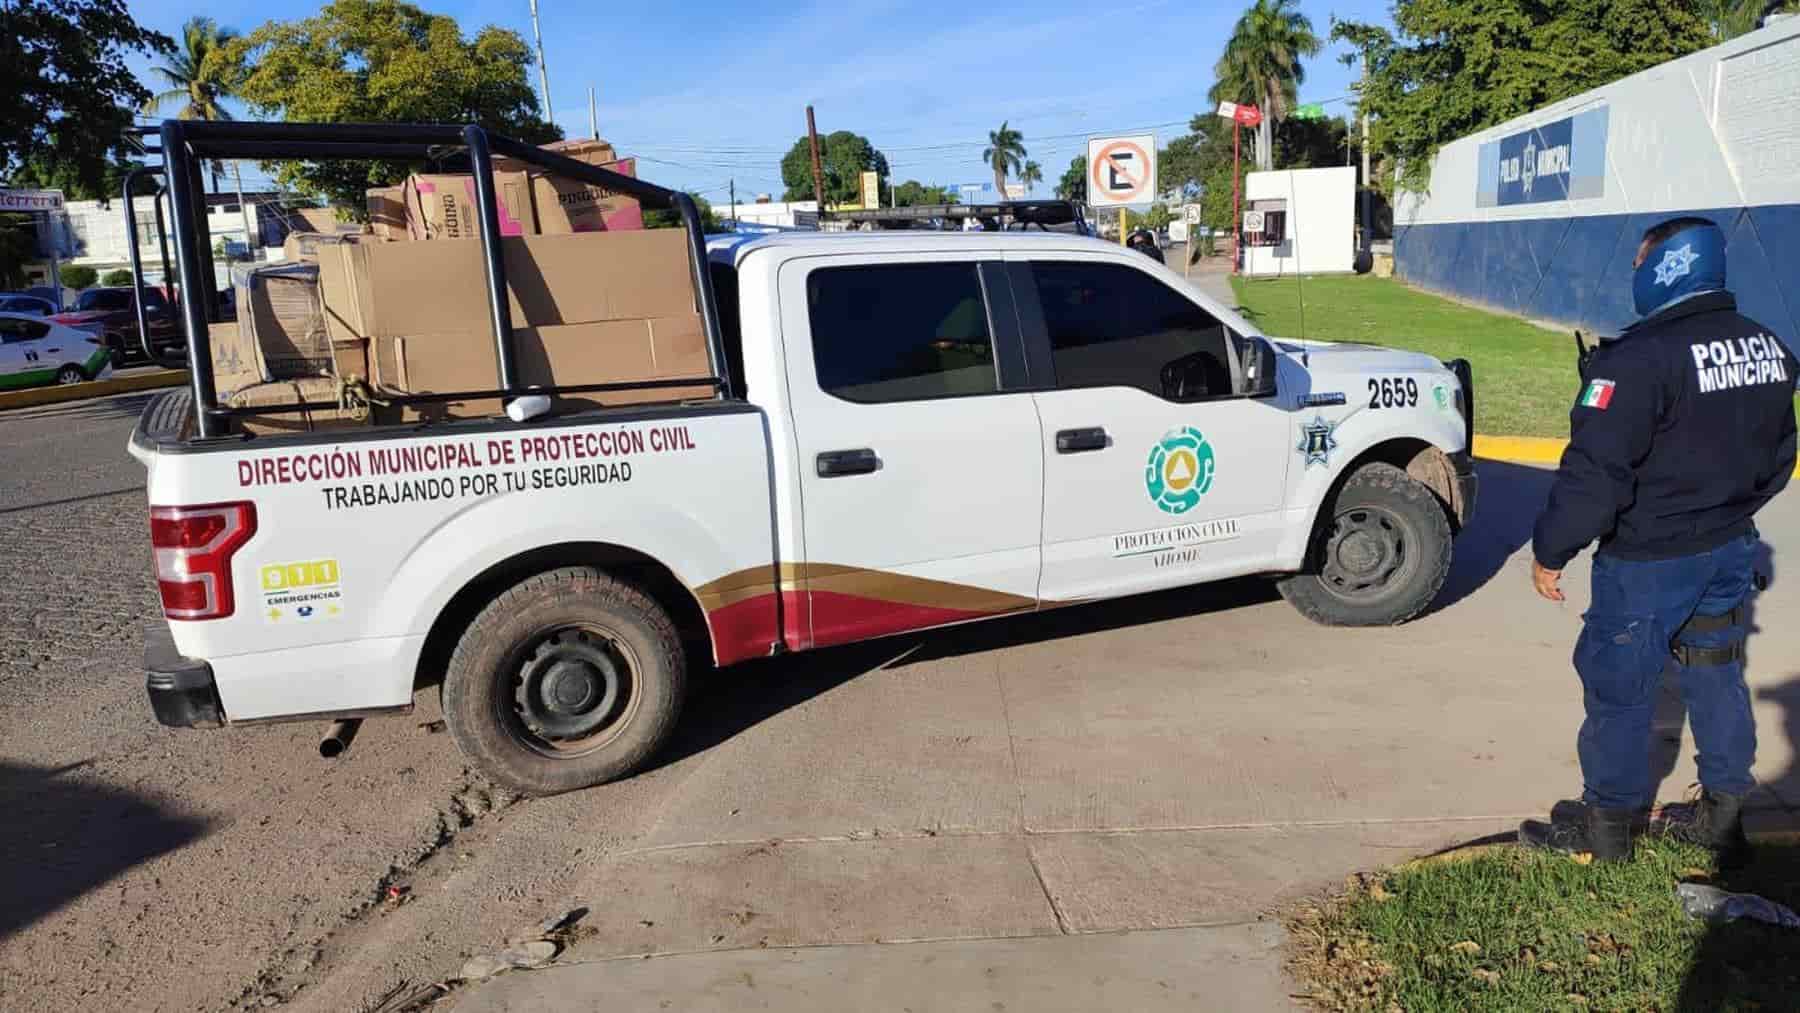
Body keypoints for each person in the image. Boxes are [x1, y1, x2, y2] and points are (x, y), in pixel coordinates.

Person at [1520, 217, 1797, 865]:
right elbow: (1780, 455)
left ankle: (1607, 828)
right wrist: (1730, 509)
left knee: (1619, 688)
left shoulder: (1637, 360)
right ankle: (1722, 817)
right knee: (1716, 675)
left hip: (1646, 560)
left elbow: (1594, 474)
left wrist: (1551, 550)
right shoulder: (1765, 346)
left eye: (1640, 262)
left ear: (1666, 265)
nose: (1635, 273)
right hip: (1729, 547)